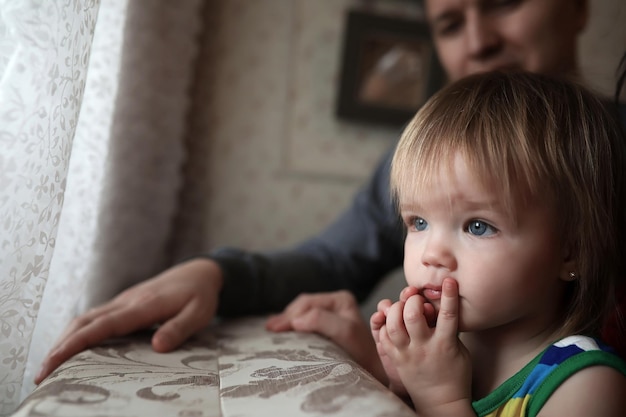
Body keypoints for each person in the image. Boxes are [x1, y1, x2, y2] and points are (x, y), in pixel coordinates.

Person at [34, 0, 625, 384]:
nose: (477, 40)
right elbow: (331, 258)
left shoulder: (581, 379)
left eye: (502, 2)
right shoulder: (415, 158)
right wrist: (214, 274)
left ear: (576, 7)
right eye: (448, 22)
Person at [367, 70, 626, 416]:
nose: (431, 254)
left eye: (477, 226)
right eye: (419, 222)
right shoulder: (445, 353)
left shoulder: (586, 383)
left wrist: (441, 399)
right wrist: (403, 386)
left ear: (572, 251)